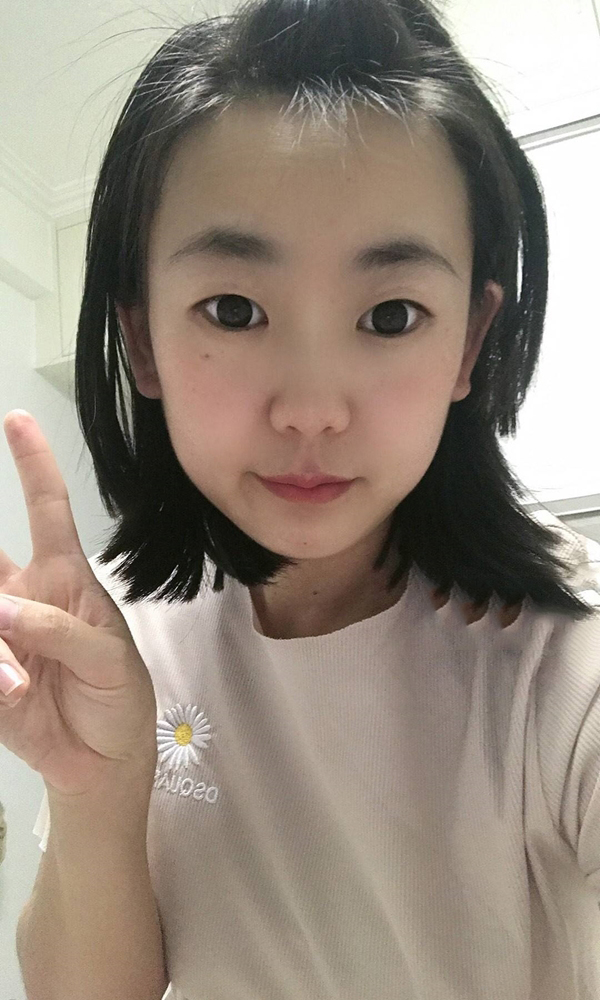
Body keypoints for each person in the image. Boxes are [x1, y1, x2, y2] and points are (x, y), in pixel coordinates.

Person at [2, 0, 600, 997]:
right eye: (234, 310)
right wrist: (97, 792)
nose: (313, 409)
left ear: (469, 341)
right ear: (142, 340)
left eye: (391, 314)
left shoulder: (568, 652)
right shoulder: (116, 637)